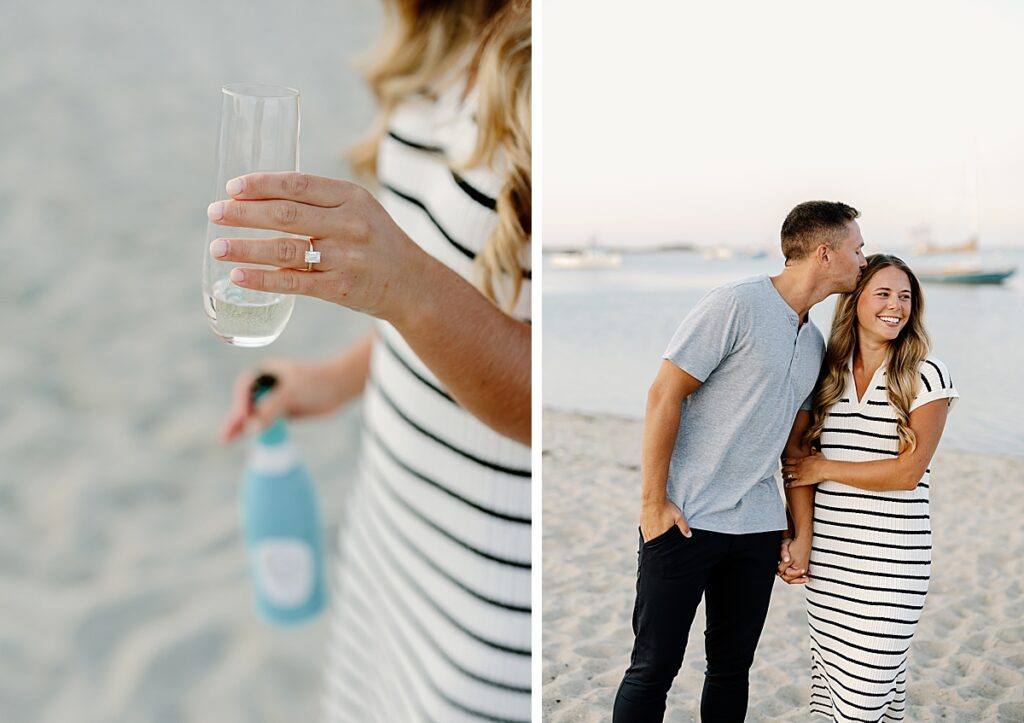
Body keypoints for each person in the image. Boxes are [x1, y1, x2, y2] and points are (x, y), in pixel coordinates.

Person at [210, 1, 532, 721]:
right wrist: (333, 377)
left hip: (492, 608)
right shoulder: (446, 25)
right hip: (391, 535)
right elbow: (466, 286)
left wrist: (406, 284)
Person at [612, 201, 867, 722]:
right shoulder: (735, 304)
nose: (862, 259)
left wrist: (799, 532)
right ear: (825, 253)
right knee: (654, 667)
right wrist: (653, 505)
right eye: (856, 249)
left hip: (756, 530)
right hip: (685, 519)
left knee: (731, 670)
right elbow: (664, 394)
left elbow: (795, 449)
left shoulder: (815, 341)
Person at [778, 254, 957, 721]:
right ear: (855, 301)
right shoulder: (824, 375)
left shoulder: (927, 375)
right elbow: (796, 461)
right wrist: (802, 537)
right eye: (883, 293)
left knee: (864, 696)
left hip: (894, 564)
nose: (895, 306)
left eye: (905, 296)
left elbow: (907, 472)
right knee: (840, 693)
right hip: (831, 563)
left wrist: (826, 468)